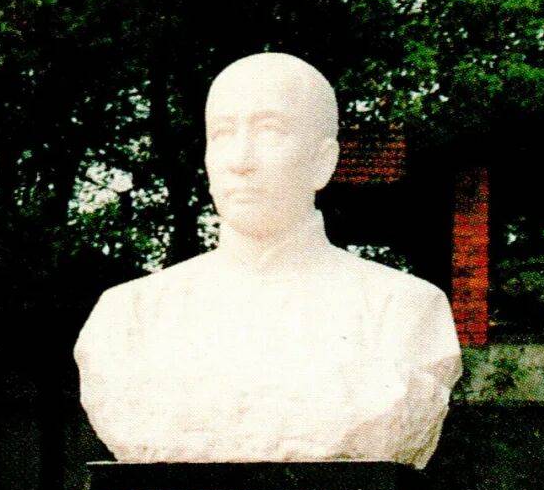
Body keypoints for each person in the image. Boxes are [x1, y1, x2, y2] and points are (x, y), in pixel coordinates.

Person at [75, 52, 461, 465]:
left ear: (323, 161)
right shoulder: (129, 314)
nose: (241, 161)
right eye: (223, 134)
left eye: (270, 131)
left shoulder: (406, 309)